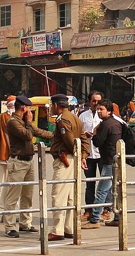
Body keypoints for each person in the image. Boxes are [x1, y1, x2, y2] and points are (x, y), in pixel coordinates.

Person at [1, 96, 50, 238]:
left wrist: (55, 136)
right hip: (18, 162)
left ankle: (25, 223)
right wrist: (28, 121)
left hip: (29, 161)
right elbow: (28, 136)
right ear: (23, 108)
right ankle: (10, 226)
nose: (30, 111)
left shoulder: (23, 122)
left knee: (27, 195)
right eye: (29, 108)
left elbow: (38, 132)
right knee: (13, 196)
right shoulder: (13, 122)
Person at [47, 94, 83, 241]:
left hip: (64, 159)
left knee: (58, 195)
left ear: (57, 105)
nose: (50, 108)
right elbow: (83, 138)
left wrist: (76, 151)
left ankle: (57, 230)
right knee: (70, 197)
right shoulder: (76, 118)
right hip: (73, 159)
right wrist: (83, 155)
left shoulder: (63, 119)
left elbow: (70, 141)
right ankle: (68, 228)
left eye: (51, 105)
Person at [84, 100, 123, 227]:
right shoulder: (116, 123)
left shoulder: (106, 125)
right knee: (115, 190)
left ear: (109, 111)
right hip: (116, 160)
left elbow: (97, 142)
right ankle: (117, 217)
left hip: (108, 161)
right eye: (98, 109)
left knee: (101, 190)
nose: (99, 111)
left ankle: (95, 219)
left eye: (101, 109)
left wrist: (95, 132)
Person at [77, 92, 103, 222]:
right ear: (89, 102)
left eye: (99, 101)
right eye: (94, 101)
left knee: (105, 182)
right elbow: (78, 133)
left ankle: (105, 210)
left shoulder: (104, 115)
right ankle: (88, 211)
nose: (96, 104)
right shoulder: (82, 116)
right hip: (88, 153)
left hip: (101, 153)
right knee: (90, 183)